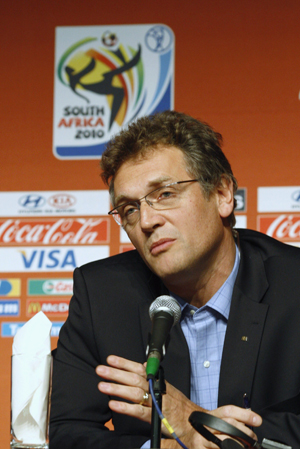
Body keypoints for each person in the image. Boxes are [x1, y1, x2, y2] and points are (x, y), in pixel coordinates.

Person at [49, 111, 300, 449]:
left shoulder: (293, 283)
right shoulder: (101, 295)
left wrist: (207, 428)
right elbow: (69, 434)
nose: (147, 220)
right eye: (129, 209)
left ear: (223, 193)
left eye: (165, 193)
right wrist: (173, 446)